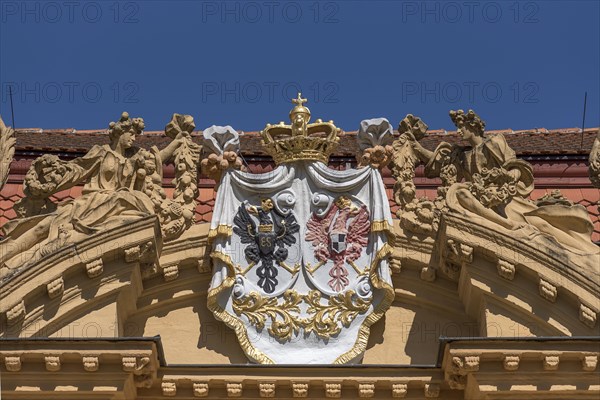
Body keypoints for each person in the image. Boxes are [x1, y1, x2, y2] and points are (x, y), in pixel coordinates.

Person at [0, 112, 183, 272]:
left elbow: (157, 159)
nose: (134, 138)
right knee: (42, 227)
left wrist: (178, 142)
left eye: (135, 135)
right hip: (88, 203)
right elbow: (77, 171)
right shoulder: (101, 152)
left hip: (116, 204)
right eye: (131, 134)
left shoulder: (136, 156)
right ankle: (6, 260)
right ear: (120, 133)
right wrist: (52, 178)